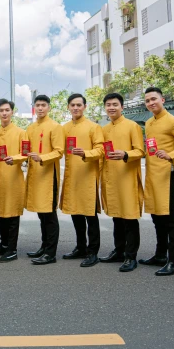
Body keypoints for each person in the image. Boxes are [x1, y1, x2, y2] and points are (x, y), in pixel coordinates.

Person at [140, 87, 174, 276]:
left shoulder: (173, 121)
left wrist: (171, 155)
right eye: (147, 101)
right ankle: (160, 255)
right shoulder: (149, 122)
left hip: (167, 175)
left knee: (170, 220)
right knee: (157, 217)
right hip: (152, 175)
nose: (151, 103)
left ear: (163, 99)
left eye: (154, 99)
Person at [98, 93, 145, 272]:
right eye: (108, 105)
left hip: (127, 178)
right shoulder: (104, 129)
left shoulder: (132, 126)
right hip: (111, 178)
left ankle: (131, 256)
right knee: (117, 217)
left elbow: (140, 151)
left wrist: (125, 154)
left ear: (122, 107)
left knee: (130, 218)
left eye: (115, 104)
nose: (111, 107)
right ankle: (119, 251)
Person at [60, 93, 104, 268]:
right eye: (73, 105)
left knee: (90, 216)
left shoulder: (94, 127)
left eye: (79, 105)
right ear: (69, 107)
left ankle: (93, 252)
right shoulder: (64, 128)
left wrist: (86, 153)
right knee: (76, 214)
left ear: (85, 107)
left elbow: (100, 150)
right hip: (71, 177)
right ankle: (80, 247)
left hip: (88, 177)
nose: (76, 108)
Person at [25, 95, 65, 266]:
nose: (40, 108)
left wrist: (41, 157)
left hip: (49, 176)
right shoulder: (31, 128)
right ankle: (44, 246)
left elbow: (59, 151)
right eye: (38, 105)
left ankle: (51, 252)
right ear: (34, 108)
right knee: (41, 214)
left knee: (49, 215)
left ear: (49, 107)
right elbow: (25, 150)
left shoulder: (55, 127)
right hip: (35, 175)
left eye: (43, 105)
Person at [0, 98, 27, 263]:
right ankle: (4, 245)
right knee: (1, 215)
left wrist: (16, 158)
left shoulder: (20, 132)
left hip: (12, 179)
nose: (4, 113)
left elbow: (25, 153)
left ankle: (12, 249)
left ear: (12, 112)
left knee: (12, 216)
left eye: (7, 110)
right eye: (1, 110)